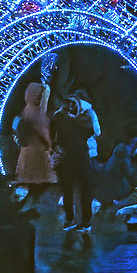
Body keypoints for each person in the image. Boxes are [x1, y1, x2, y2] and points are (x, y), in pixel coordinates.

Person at [51, 92, 101, 233]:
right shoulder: (83, 121)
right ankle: (85, 221)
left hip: (69, 159)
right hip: (82, 158)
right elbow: (93, 132)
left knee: (68, 190)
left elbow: (56, 123)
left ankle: (70, 220)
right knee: (84, 190)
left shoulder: (61, 121)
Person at [13, 82, 56, 211]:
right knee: (41, 183)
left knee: (31, 183)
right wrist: (50, 145)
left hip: (26, 152)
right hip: (38, 152)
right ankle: (32, 208)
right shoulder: (37, 112)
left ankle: (26, 206)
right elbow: (44, 130)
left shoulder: (26, 109)